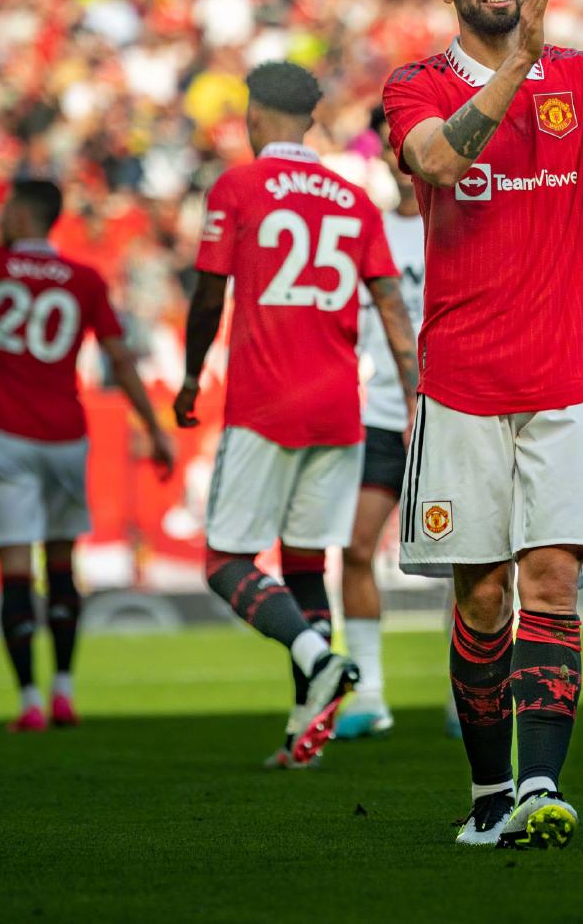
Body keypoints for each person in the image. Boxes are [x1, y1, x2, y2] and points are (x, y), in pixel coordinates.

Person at [381, 0, 583, 849]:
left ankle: (541, 788)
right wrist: (516, 66)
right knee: (481, 598)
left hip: (567, 380)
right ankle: (487, 796)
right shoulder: (415, 83)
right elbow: (432, 160)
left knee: (551, 579)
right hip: (461, 384)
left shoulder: (580, 77)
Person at [173, 62, 418, 770]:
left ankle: (317, 654)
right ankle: (304, 733)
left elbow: (207, 294)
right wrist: (413, 395)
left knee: (225, 561)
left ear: (254, 116)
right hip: (343, 408)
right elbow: (394, 311)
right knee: (307, 565)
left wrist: (192, 376)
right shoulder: (354, 200)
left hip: (267, 401)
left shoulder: (240, 185)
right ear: (309, 119)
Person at [0, 128, 175, 732]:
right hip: (64, 437)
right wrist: (154, 429)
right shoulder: (83, 279)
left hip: (6, 437)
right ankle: (65, 689)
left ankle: (28, 700)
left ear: (24, 214)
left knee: (15, 571)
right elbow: (121, 360)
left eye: (6, 210)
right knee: (61, 566)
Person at [335, 129, 429, 741]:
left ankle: (466, 696)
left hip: (450, 412)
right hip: (378, 416)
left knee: (472, 562)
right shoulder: (364, 231)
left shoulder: (458, 220)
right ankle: (369, 693)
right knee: (354, 546)